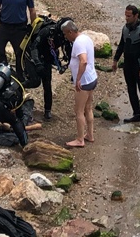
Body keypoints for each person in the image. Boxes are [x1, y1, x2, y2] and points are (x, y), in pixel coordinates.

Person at [111, 5, 140, 131]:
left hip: (139, 65)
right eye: (126, 15)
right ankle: (136, 115)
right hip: (128, 64)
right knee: (131, 89)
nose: (126, 18)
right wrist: (115, 60)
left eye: (129, 16)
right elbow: (121, 45)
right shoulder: (125, 28)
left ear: (136, 16)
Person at [22, 16, 72, 120]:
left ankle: (47, 110)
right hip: (32, 56)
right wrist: (37, 63)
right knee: (35, 82)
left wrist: (69, 62)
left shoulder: (65, 36)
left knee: (47, 84)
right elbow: (34, 46)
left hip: (47, 58)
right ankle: (17, 87)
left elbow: (69, 51)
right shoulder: (47, 31)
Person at [61, 19, 98, 147]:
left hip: (84, 82)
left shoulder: (78, 42)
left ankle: (80, 139)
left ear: (70, 32)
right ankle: (90, 135)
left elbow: (83, 61)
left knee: (79, 110)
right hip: (92, 78)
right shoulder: (86, 37)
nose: (65, 37)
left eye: (66, 34)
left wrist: (77, 79)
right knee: (88, 108)